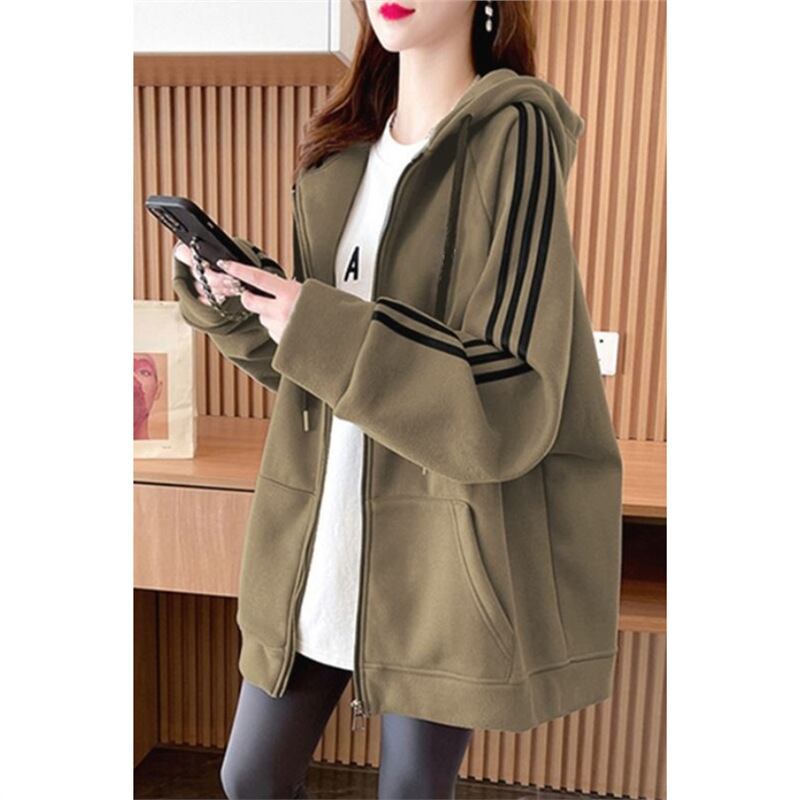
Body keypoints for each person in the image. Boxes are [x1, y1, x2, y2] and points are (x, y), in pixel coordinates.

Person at [172, 1, 622, 798]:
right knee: (250, 776)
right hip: (318, 533)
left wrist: (317, 326)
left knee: (411, 791)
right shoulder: (340, 157)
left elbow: (510, 395)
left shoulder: (513, 134)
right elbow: (322, 380)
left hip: (438, 548)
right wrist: (245, 305)